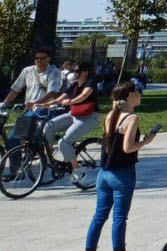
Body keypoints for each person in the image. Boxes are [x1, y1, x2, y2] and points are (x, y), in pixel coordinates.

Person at [85, 81, 157, 250]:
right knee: (119, 218)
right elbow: (128, 147)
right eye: (137, 91)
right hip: (122, 174)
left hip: (104, 173)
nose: (140, 94)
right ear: (130, 95)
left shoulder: (111, 115)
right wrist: (146, 141)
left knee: (99, 216)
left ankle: (89, 248)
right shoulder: (132, 118)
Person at [51, 63, 100, 178]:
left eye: (78, 71)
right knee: (48, 126)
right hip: (74, 114)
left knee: (63, 142)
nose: (75, 73)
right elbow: (60, 98)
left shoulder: (90, 83)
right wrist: (42, 104)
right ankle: (48, 159)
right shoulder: (74, 85)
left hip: (88, 117)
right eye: (74, 70)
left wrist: (69, 102)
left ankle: (76, 169)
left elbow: (83, 96)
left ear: (85, 72)